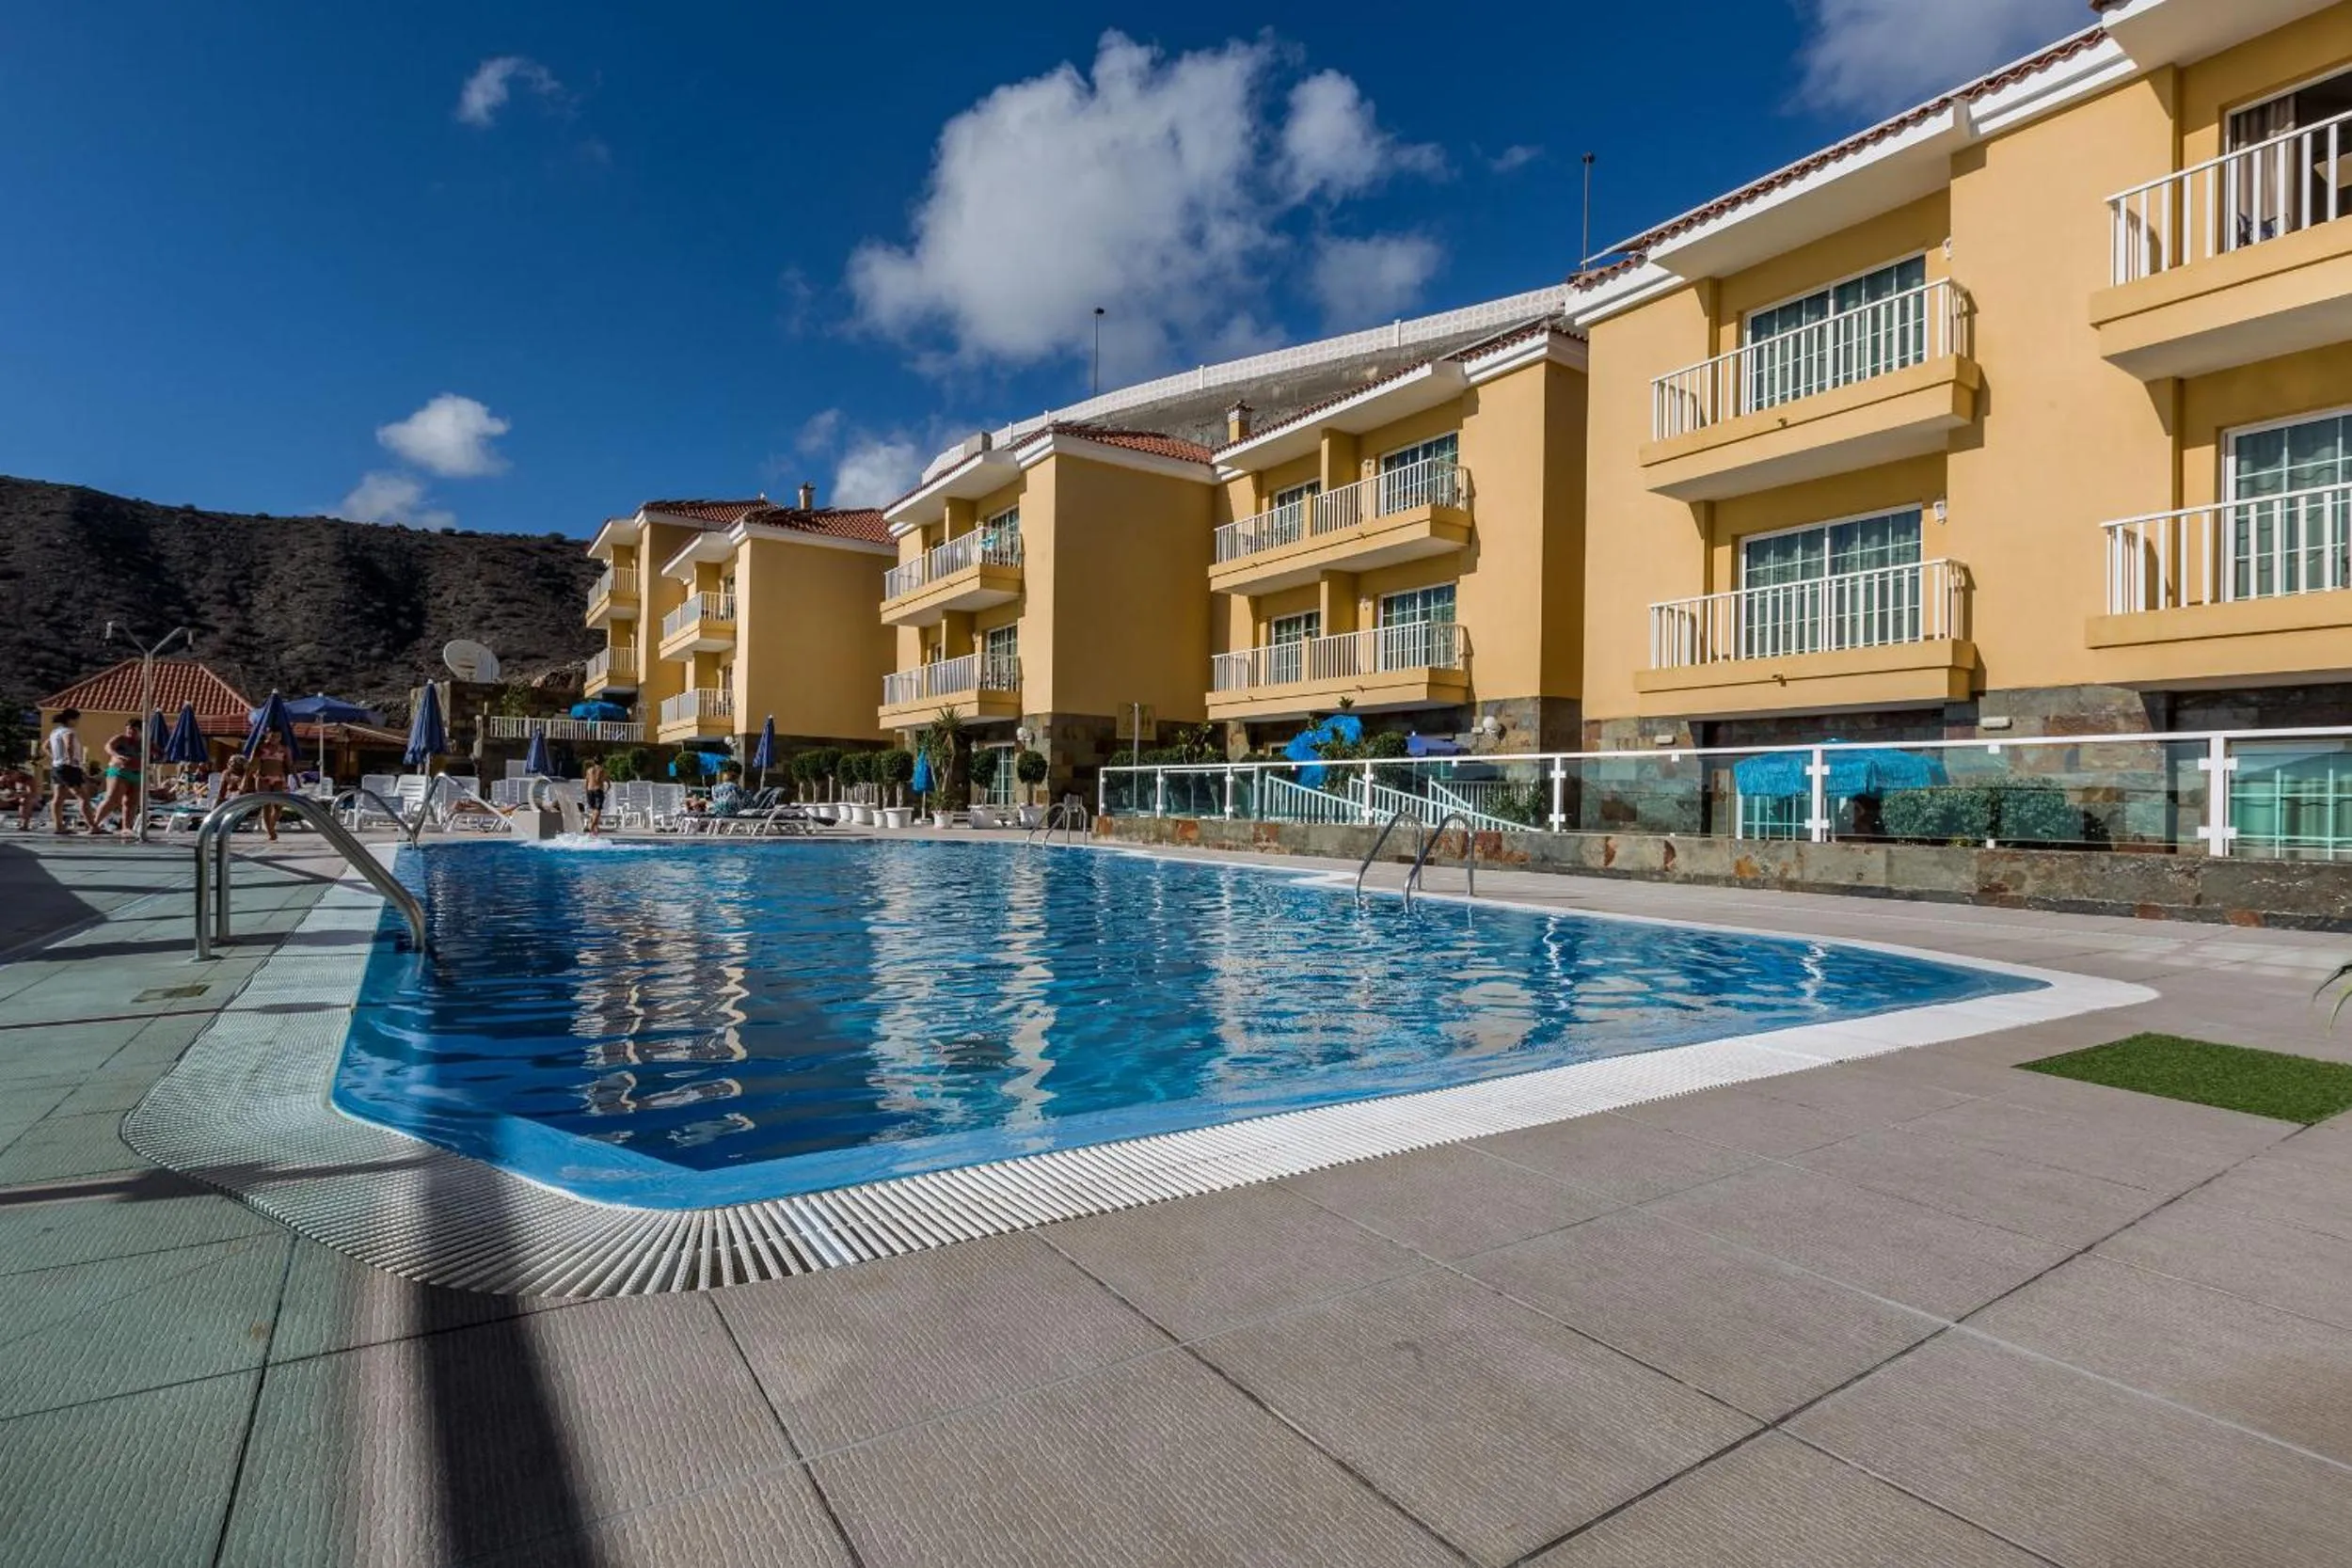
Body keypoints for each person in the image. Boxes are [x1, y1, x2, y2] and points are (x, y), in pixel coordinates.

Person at [90, 720, 145, 840]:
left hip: (137, 773)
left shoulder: (143, 742)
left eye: (134, 730)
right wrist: (116, 755)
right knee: (112, 799)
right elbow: (108, 746)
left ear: (141, 731)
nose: (130, 732)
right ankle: (94, 824)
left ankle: (126, 828)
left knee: (131, 802)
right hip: (119, 771)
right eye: (128, 729)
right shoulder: (121, 739)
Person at [45, 710, 95, 836]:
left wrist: (55, 757)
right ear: (71, 719)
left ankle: (59, 826)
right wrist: (70, 759)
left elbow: (45, 746)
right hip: (69, 768)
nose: (78, 722)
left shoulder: (55, 732)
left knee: (58, 798)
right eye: (77, 719)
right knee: (83, 797)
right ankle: (93, 826)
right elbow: (69, 745)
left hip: (57, 767)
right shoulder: (68, 731)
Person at [248, 733, 289, 841]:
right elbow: (252, 764)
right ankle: (271, 832)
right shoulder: (261, 748)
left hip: (278, 778)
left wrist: (296, 778)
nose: (274, 738)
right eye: (272, 736)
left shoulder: (284, 749)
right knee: (266, 805)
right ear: (267, 736)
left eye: (277, 736)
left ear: (281, 737)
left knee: (278, 806)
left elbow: (289, 764)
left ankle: (270, 827)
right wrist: (245, 779)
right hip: (263, 777)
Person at [0, 763, 35, 831]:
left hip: (28, 800)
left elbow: (32, 794)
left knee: (25, 800)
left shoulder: (27, 779)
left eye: (10, 773)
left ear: (17, 772)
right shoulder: (3, 779)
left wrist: (19, 794)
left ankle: (24, 824)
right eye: (5, 773)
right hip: (8, 800)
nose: (7, 776)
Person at [582, 757, 609, 834]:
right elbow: (606, 781)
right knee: (598, 810)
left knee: (594, 809)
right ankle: (591, 826)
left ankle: (595, 829)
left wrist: (586, 792)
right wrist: (607, 789)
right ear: (602, 762)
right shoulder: (602, 770)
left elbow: (586, 782)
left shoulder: (589, 770)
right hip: (598, 790)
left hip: (589, 790)